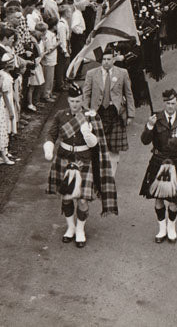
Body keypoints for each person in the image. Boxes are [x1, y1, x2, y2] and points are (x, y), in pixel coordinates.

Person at [44, 83, 118, 249]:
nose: (75, 104)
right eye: (72, 101)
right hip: (64, 159)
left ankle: (80, 229)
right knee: (67, 197)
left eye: (78, 101)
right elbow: (52, 134)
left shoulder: (91, 116)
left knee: (83, 200)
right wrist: (49, 147)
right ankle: (70, 227)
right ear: (68, 101)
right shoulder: (60, 115)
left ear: (82, 100)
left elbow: (97, 143)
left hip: (84, 160)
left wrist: (88, 134)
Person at [140, 89, 177, 244]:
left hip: (175, 162)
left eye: (173, 103)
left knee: (173, 200)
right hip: (158, 161)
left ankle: (171, 227)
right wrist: (149, 126)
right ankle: (161, 228)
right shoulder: (155, 118)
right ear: (164, 103)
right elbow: (144, 141)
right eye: (167, 103)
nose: (170, 106)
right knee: (158, 198)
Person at [82, 45, 134, 172]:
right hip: (97, 113)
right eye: (104, 59)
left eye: (109, 59)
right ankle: (98, 172)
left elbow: (128, 93)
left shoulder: (122, 73)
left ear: (113, 60)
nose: (106, 62)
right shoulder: (91, 74)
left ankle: (111, 173)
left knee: (114, 147)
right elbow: (86, 94)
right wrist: (86, 112)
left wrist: (130, 114)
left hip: (115, 113)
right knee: (96, 144)